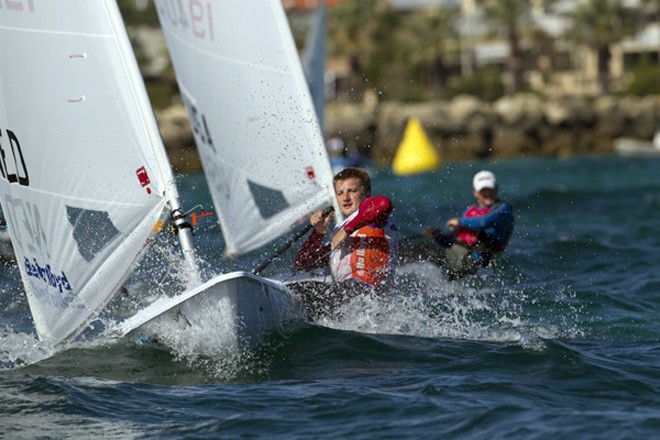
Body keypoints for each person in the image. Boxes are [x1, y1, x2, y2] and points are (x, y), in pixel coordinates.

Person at [291, 167, 398, 319]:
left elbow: (383, 204)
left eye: (352, 191)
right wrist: (318, 233)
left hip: (366, 292)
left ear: (365, 193)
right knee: (297, 289)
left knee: (303, 290)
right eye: (340, 193)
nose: (345, 198)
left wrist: (346, 231)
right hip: (348, 300)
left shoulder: (376, 219)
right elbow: (302, 264)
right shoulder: (339, 229)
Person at [402, 170, 514, 280]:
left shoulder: (503, 209)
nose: (488, 194)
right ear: (475, 192)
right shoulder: (471, 210)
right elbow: (454, 240)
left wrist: (460, 222)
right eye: (483, 191)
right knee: (417, 250)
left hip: (474, 259)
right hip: (458, 253)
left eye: (491, 190)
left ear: (497, 189)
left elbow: (484, 222)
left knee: (424, 253)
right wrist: (437, 236)